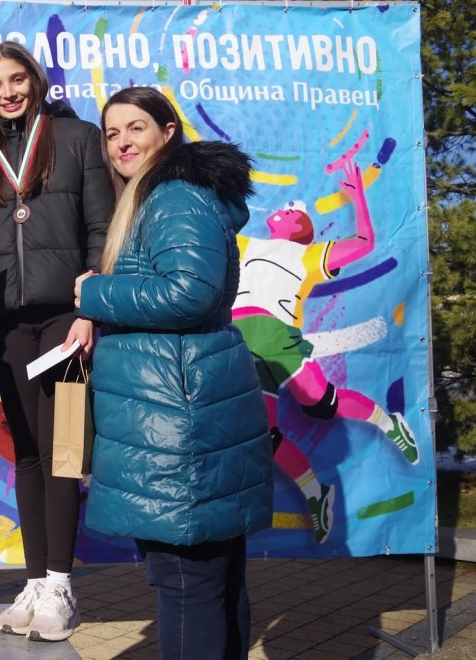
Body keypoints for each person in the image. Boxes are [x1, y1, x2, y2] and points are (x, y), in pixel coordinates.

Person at [75, 86, 273, 659]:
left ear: (168, 132)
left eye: (135, 127)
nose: (121, 142)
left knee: (188, 582)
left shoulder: (175, 196)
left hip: (177, 420)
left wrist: (96, 292)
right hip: (180, 409)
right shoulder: (163, 195)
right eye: (112, 133)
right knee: (212, 579)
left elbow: (189, 292)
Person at [0, 41, 113, 642]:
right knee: (27, 451)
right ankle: (34, 581)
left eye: (17, 79)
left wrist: (90, 309)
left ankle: (61, 585)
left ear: (36, 80)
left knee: (63, 451)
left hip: (65, 319)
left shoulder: (77, 138)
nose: (8, 92)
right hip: (11, 325)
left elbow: (102, 226)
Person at [233, 164, 419, 545]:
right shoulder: (246, 244)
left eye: (293, 211)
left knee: (321, 406)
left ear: (300, 228)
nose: (285, 207)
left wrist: (358, 197)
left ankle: (390, 424)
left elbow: (364, 242)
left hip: (275, 335)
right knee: (264, 436)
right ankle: (317, 493)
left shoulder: (308, 255)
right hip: (239, 338)